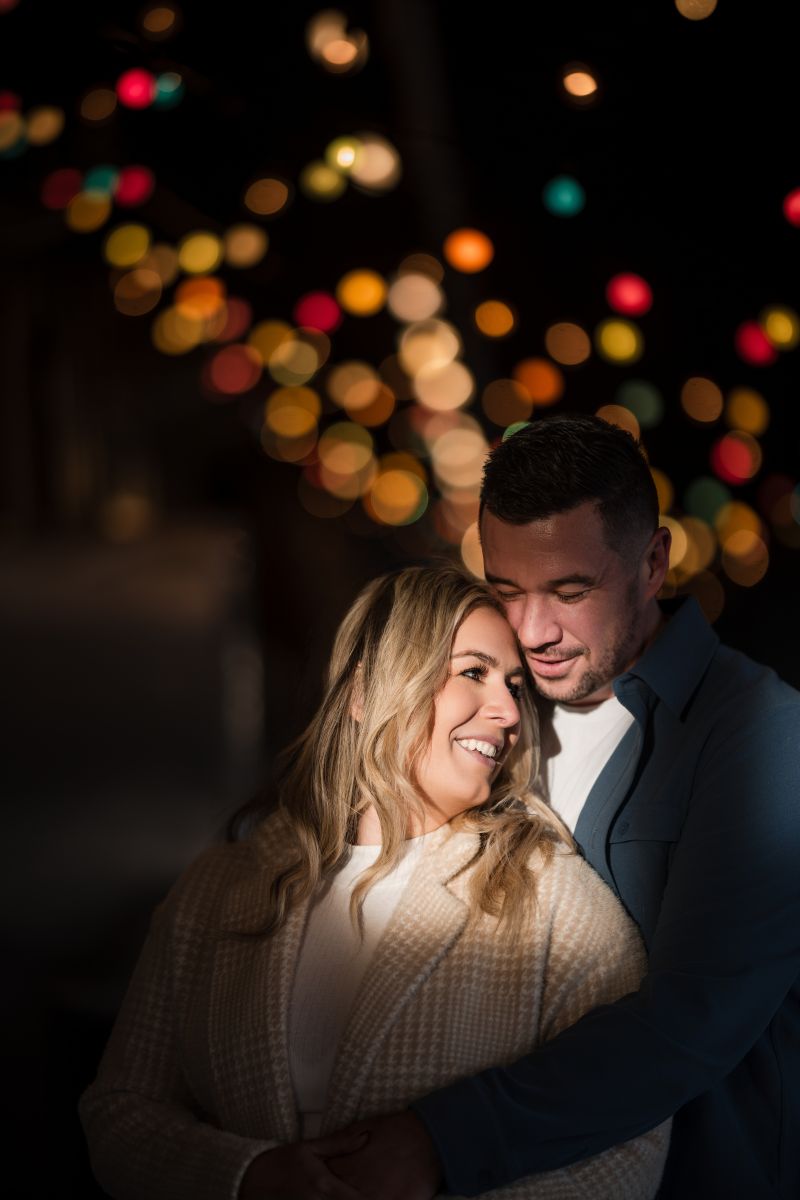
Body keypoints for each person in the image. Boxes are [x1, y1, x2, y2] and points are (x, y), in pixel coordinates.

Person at [79, 563, 670, 1200]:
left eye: (515, 685)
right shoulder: (217, 890)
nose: (508, 712)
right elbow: (120, 1109)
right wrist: (246, 1176)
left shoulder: (556, 904)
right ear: (367, 693)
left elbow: (630, 1152)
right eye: (473, 672)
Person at [327, 415, 800, 1200]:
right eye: (506, 590)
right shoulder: (488, 710)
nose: (534, 631)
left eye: (570, 591)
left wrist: (439, 1138)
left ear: (653, 563)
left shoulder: (760, 734)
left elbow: (693, 1021)